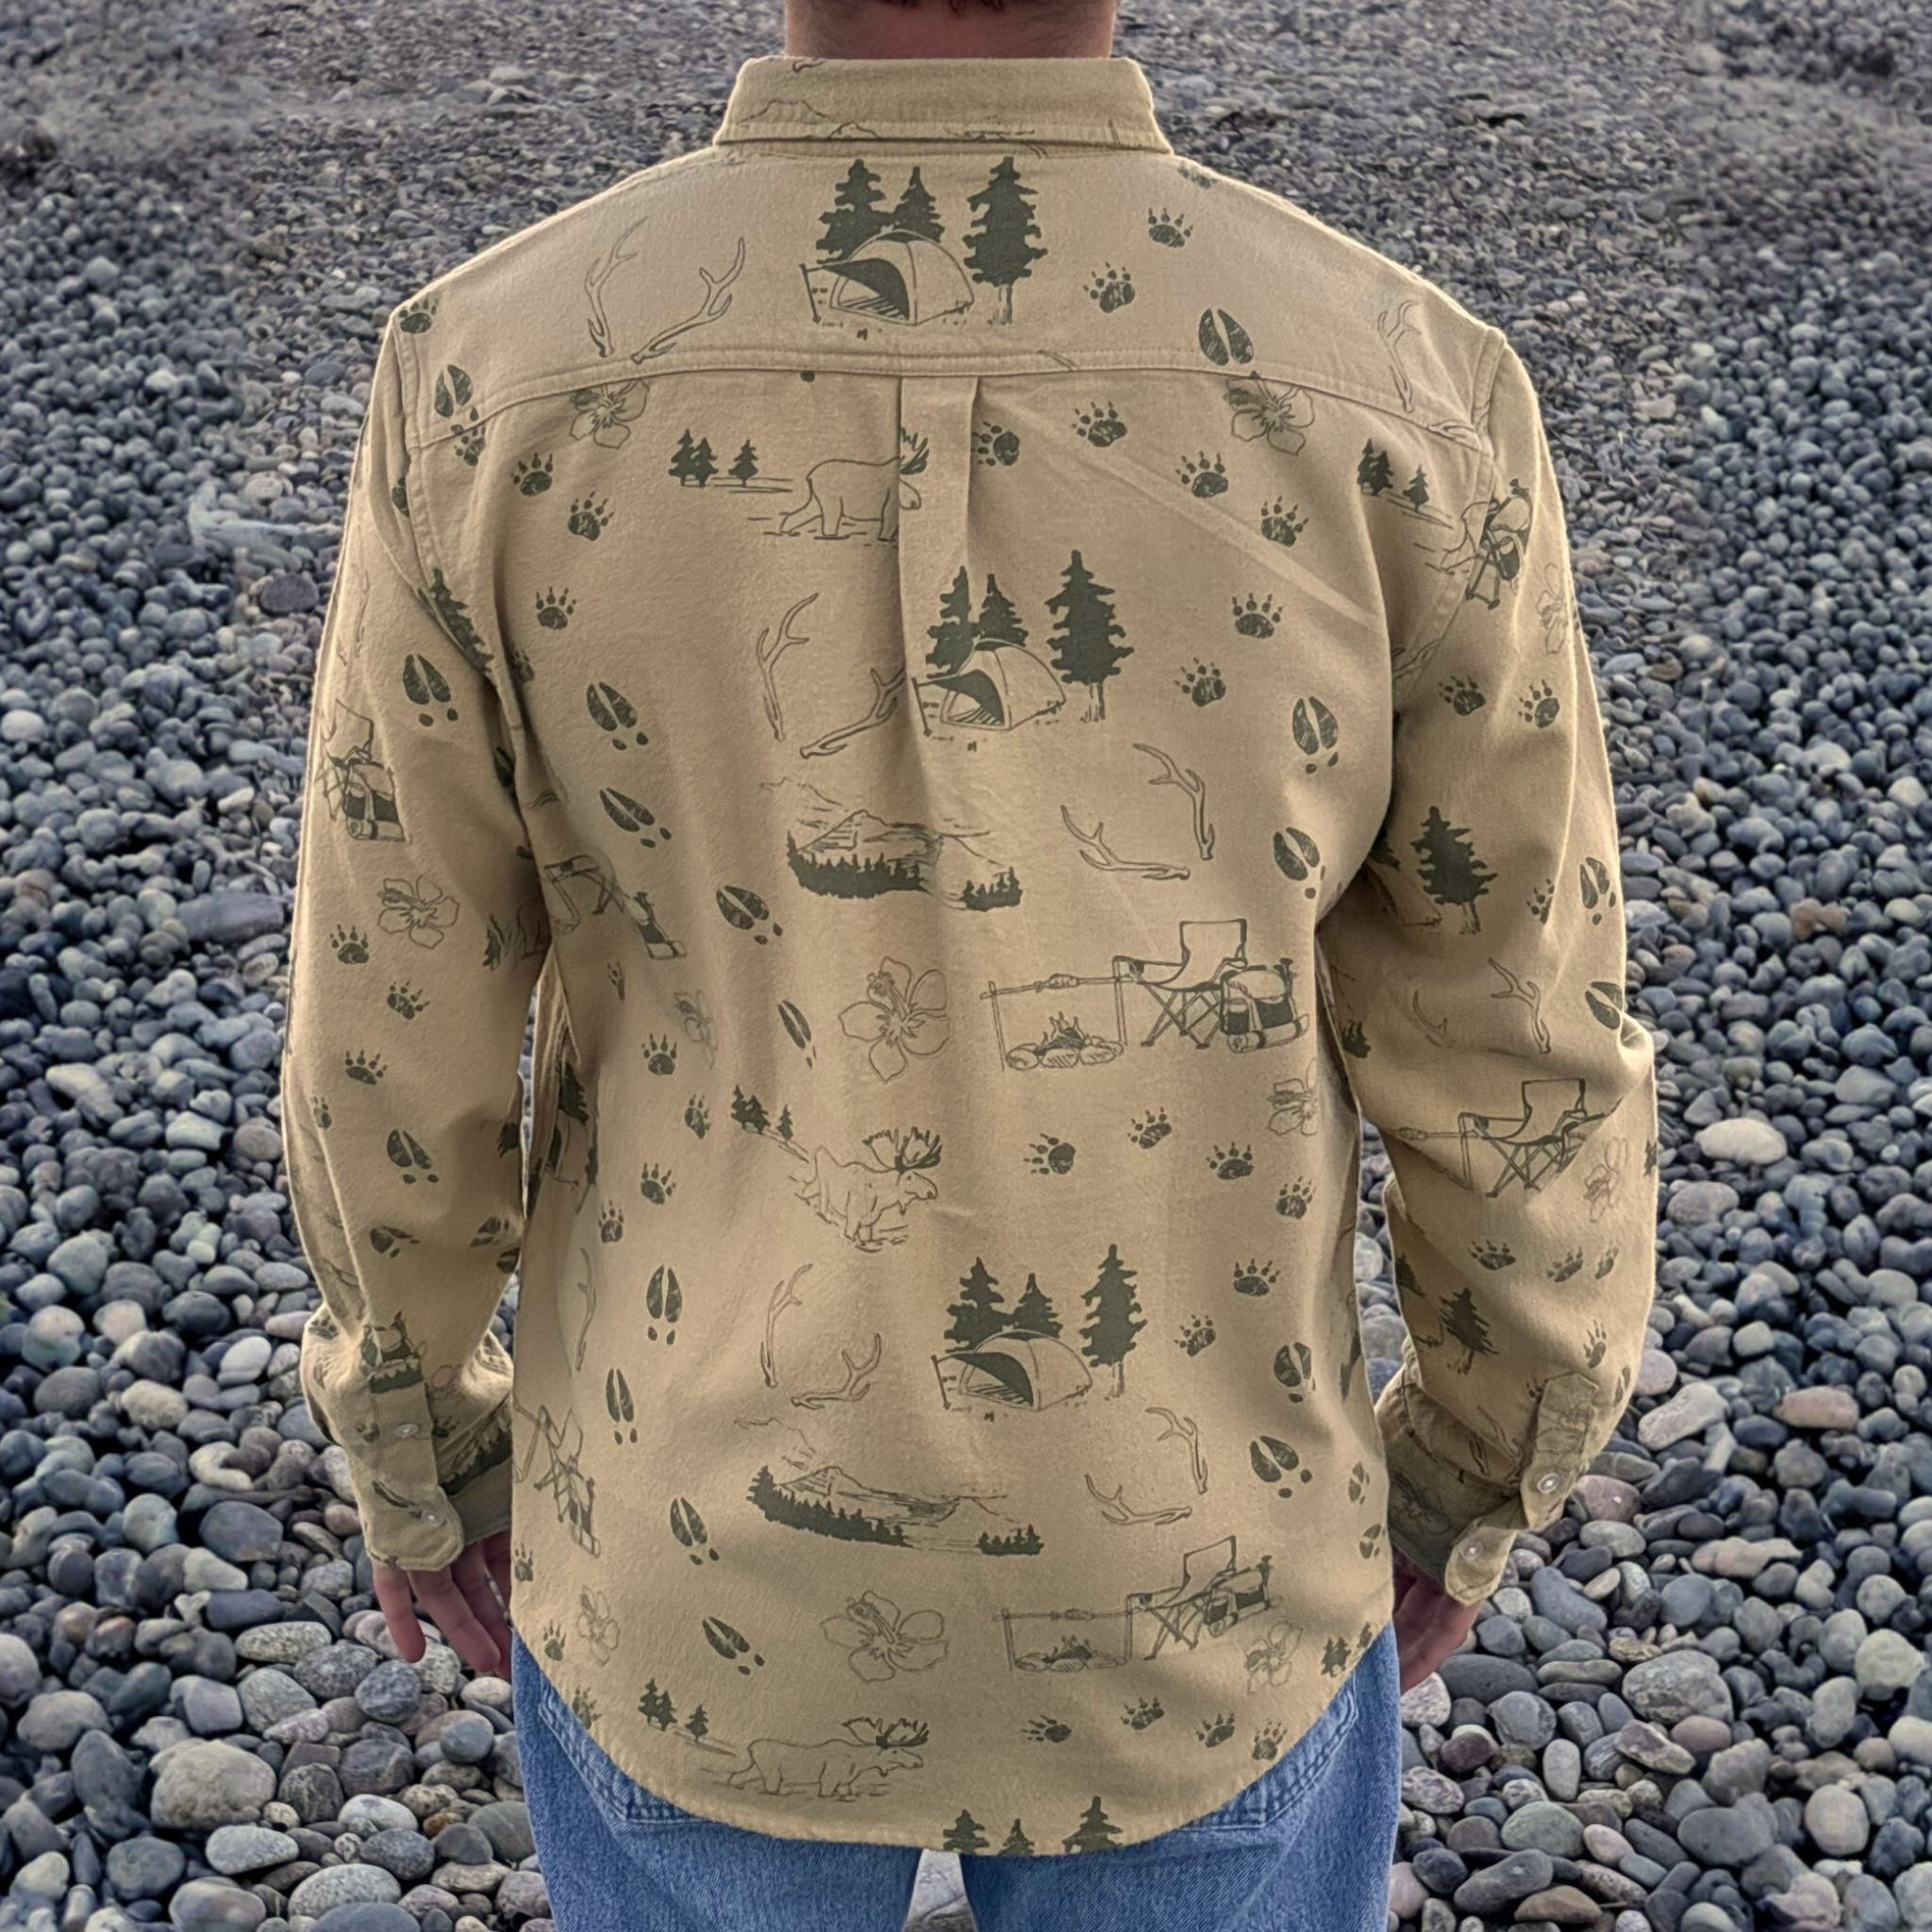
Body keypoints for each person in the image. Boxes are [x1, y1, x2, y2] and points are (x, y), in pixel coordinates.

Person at [279, 0, 1660, 1925]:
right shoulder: (1403, 388)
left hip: (689, 1560)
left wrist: (417, 1437)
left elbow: (391, 1011)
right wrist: (1480, 1461)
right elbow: (1515, 1026)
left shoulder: (486, 375)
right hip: (1201, 1579)